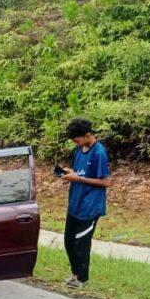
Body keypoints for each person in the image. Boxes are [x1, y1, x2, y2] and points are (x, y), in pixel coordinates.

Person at [60, 118, 112, 288]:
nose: (76, 144)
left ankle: (82, 279)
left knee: (81, 244)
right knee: (69, 241)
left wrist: (78, 178)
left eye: (77, 140)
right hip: (75, 203)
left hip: (89, 207)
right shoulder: (78, 151)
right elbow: (78, 173)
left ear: (88, 135)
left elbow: (106, 182)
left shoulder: (99, 153)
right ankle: (75, 275)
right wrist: (71, 173)